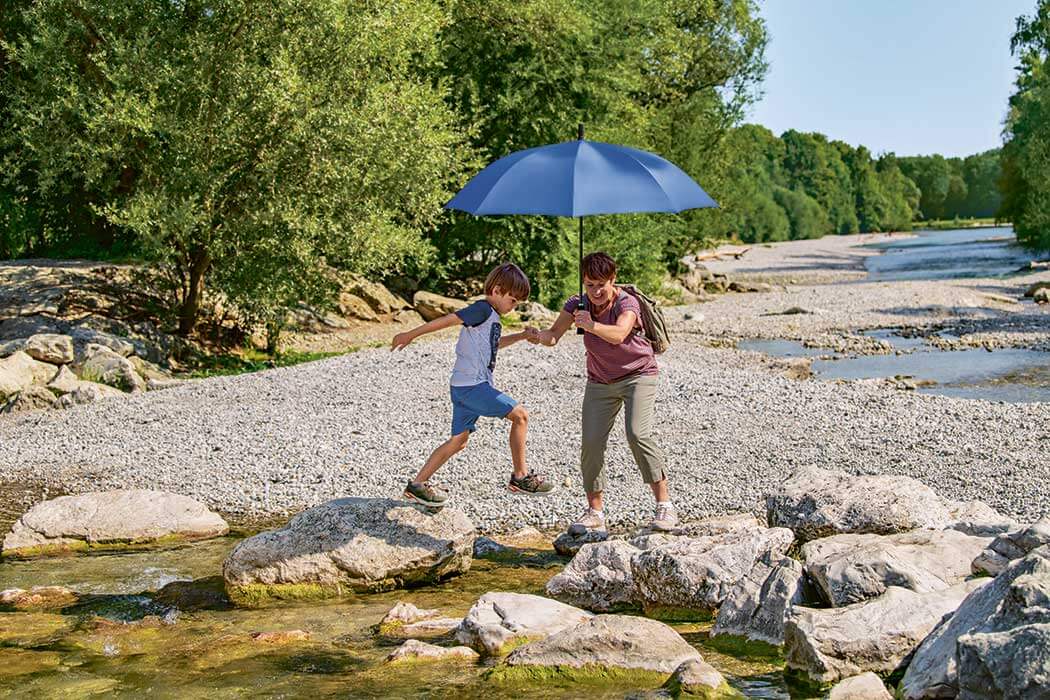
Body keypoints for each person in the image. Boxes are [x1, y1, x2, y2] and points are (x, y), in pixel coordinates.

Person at [527, 252, 676, 532]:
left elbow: (619, 334)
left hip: (638, 375)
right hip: (600, 381)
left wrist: (591, 325)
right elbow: (553, 337)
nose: (595, 291)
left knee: (637, 434)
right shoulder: (577, 304)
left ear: (613, 279)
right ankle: (595, 512)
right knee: (592, 443)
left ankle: (664, 507)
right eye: (589, 284)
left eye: (601, 285)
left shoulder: (627, 302)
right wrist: (538, 336)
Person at [391, 262, 554, 506]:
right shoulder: (483, 309)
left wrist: (520, 336)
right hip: (472, 387)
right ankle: (521, 477)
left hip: (462, 387)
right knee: (520, 416)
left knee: (459, 440)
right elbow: (449, 319)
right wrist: (410, 334)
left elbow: (492, 346)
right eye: (513, 300)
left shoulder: (491, 317)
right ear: (497, 290)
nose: (514, 307)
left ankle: (417, 484)